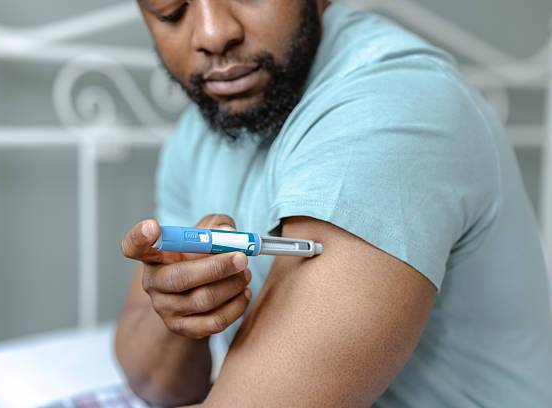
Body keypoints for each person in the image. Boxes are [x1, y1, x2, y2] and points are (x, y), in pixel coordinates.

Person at [110, 1, 552, 406]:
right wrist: (180, 308)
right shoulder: (201, 132)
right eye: (171, 11)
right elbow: (153, 383)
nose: (212, 33)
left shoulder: (391, 110)